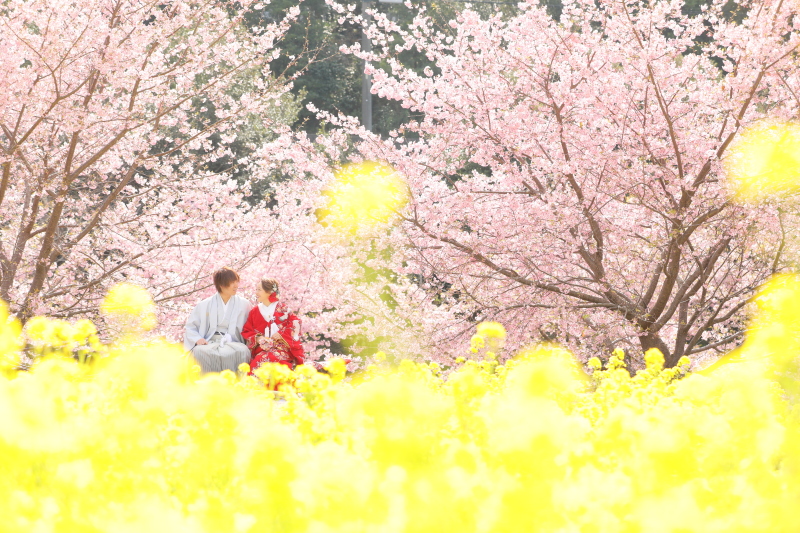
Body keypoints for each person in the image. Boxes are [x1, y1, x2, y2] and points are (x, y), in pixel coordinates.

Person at [184, 267, 252, 373]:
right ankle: (207, 381)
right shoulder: (204, 304)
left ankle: (236, 382)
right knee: (198, 351)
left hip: (234, 341)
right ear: (221, 284)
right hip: (209, 341)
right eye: (232, 282)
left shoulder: (244, 304)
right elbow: (191, 327)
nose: (236, 285)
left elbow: (252, 325)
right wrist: (197, 338)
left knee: (243, 351)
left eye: (236, 282)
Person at [242, 278, 304, 375]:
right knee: (258, 362)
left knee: (273, 360)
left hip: (281, 350)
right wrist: (258, 338)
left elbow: (296, 324)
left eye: (259, 290)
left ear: (269, 292)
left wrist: (281, 335)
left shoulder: (283, 309)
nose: (256, 292)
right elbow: (247, 331)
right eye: (256, 289)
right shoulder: (254, 311)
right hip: (262, 350)